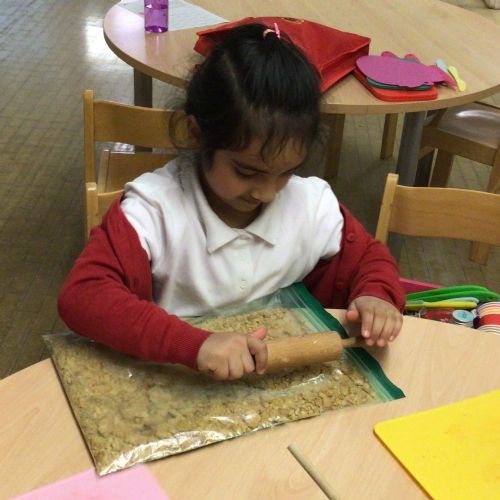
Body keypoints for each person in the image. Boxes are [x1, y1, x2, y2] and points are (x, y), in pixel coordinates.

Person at [58, 23, 404, 381]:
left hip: (278, 383)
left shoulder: (311, 206)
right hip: (181, 378)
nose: (266, 192)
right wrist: (193, 344)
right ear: (197, 134)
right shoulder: (153, 212)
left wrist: (375, 295)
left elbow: (369, 258)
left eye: (285, 172)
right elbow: (83, 296)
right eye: (247, 172)